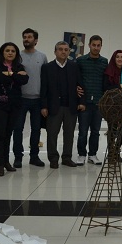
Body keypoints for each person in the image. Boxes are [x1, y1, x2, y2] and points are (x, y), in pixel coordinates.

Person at [41, 41, 86, 169]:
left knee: (69, 134)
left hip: (71, 106)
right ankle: (53, 158)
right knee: (52, 134)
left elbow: (80, 85)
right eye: (60, 49)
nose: (63, 52)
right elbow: (43, 88)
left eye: (66, 49)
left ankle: (67, 157)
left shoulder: (74, 66)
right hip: (53, 106)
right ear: (55, 51)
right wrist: (43, 106)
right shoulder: (47, 67)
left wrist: (81, 102)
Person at [0, 42, 29, 176]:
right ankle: (0, 164)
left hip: (14, 105)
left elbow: (24, 79)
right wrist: (14, 75)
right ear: (2, 52)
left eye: (13, 51)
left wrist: (8, 74)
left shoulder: (19, 66)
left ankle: (6, 161)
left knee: (8, 134)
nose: (10, 53)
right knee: (0, 134)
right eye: (7, 50)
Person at [12, 28, 48, 168]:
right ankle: (18, 157)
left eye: (29, 37)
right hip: (20, 99)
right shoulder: (17, 56)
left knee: (36, 129)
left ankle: (34, 156)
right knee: (18, 129)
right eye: (24, 37)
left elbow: (45, 79)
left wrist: (45, 101)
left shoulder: (42, 57)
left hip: (37, 99)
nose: (26, 39)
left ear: (36, 40)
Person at [76, 35, 108, 166]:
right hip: (85, 102)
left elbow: (105, 81)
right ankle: (81, 154)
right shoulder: (81, 61)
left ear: (101, 46)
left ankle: (92, 154)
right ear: (89, 45)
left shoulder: (104, 62)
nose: (96, 47)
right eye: (93, 45)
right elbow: (76, 80)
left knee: (95, 131)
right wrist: (79, 98)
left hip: (99, 102)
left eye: (98, 45)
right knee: (83, 131)